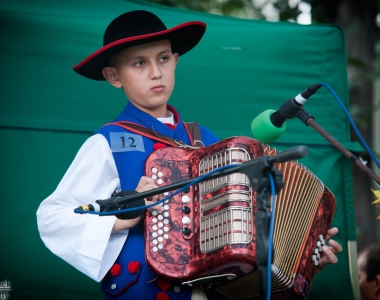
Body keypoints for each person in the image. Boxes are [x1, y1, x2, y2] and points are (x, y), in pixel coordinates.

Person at [36, 10, 343, 300]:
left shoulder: (207, 141)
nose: (156, 72)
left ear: (176, 61)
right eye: (139, 63)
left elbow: (246, 231)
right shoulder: (109, 142)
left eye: (164, 58)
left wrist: (302, 253)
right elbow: (53, 219)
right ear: (114, 76)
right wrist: (123, 217)